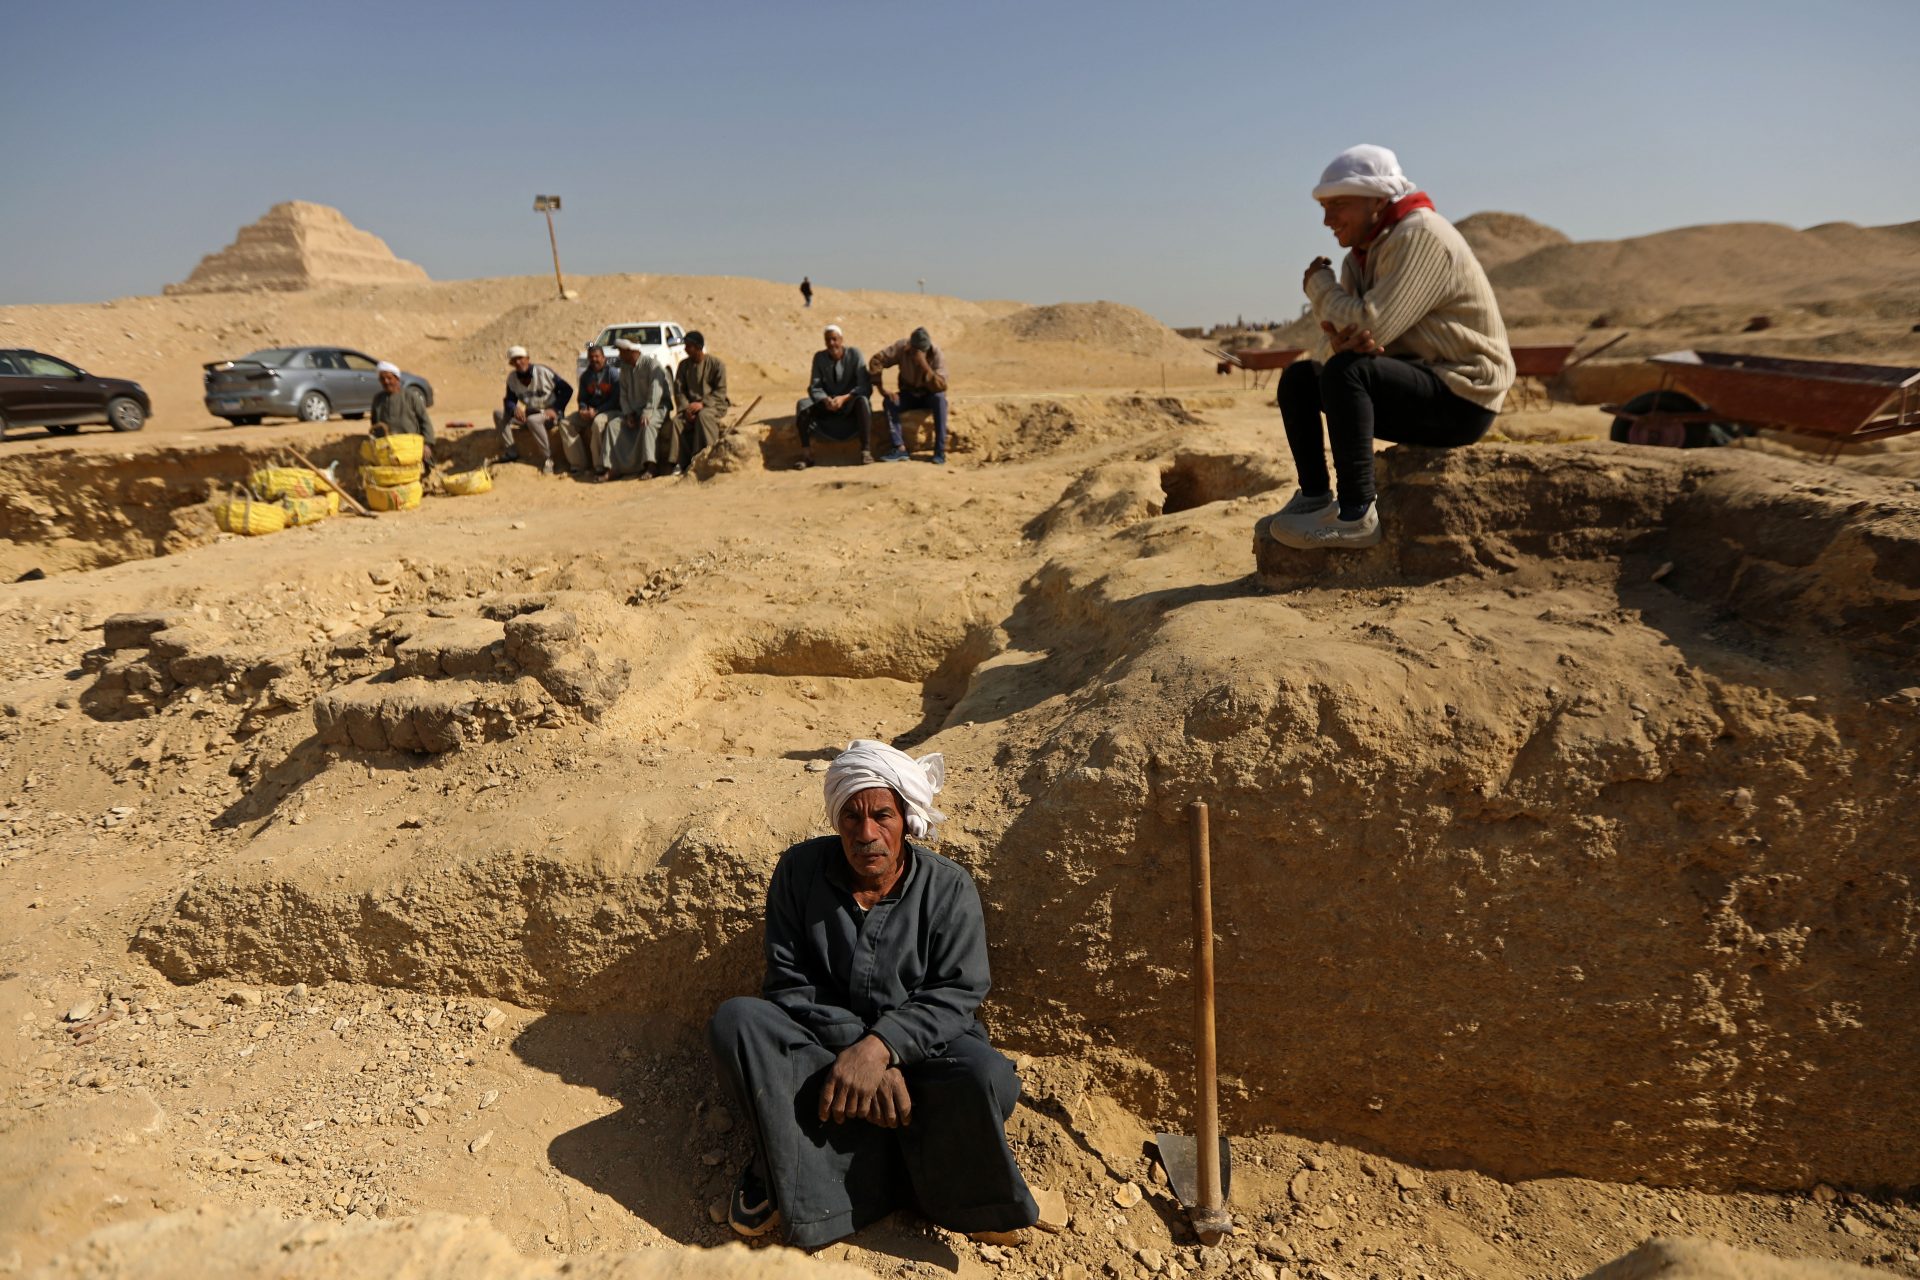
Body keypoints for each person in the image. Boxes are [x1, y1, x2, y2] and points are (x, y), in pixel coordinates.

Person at [707, 740, 1039, 1249]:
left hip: (922, 1053)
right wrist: (856, 1054)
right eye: (851, 817)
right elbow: (790, 983)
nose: (866, 834)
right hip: (825, 1050)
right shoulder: (799, 872)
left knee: (989, 1077)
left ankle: (939, 1191)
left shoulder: (949, 888)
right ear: (836, 821)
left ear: (906, 818)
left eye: (882, 815)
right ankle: (793, 1171)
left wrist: (882, 1049)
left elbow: (958, 992)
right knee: (739, 1023)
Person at [1268, 144, 1514, 550]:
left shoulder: (1421, 234)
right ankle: (1313, 497)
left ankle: (1356, 514)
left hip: (1464, 398)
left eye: (1339, 205)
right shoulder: (1359, 258)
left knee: (1349, 370)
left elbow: (1370, 324)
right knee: (1300, 377)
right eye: (1324, 208)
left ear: (1379, 201)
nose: (1328, 220)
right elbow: (1340, 339)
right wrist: (1346, 337)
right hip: (1419, 383)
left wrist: (1320, 287)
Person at [793, 325, 875, 468]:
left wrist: (844, 398)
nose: (831, 343)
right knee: (803, 405)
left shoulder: (855, 354)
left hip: (850, 403)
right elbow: (814, 387)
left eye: (834, 339)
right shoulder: (819, 358)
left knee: (862, 401)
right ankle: (807, 455)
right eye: (828, 340)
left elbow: (865, 385)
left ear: (841, 340)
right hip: (827, 405)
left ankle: (865, 451)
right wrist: (826, 400)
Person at [868, 328, 948, 465]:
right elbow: (877, 360)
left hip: (929, 395)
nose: (913, 354)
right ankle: (899, 448)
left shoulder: (936, 354)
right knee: (890, 402)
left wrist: (924, 365)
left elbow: (941, 386)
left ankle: (940, 451)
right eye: (913, 351)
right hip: (909, 394)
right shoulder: (901, 348)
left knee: (940, 399)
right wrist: (881, 389)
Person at [493, 346, 575, 475]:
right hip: (531, 414)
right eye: (515, 361)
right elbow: (509, 400)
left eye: (520, 359)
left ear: (527, 359)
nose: (518, 363)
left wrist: (556, 409)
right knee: (498, 414)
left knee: (533, 420)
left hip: (550, 415)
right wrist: (513, 408)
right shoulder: (513, 379)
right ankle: (511, 451)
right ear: (512, 364)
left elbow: (567, 389)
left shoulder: (543, 372)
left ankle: (548, 459)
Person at [609, 337, 672, 479]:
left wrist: (648, 412)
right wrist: (628, 413)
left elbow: (656, 392)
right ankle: (615, 467)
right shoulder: (624, 368)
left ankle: (651, 466)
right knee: (613, 426)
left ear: (631, 351)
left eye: (621, 352)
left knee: (647, 424)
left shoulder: (651, 364)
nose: (619, 355)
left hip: (658, 407)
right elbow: (623, 394)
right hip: (636, 410)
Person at [671, 331, 730, 477]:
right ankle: (681, 462)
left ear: (698, 347)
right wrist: (686, 409)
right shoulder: (683, 366)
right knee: (677, 422)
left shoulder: (717, 365)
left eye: (688, 346)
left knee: (703, 416)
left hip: (713, 405)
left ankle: (708, 456)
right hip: (691, 407)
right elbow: (679, 390)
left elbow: (720, 392)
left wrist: (702, 404)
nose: (685, 349)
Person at [564, 345, 620, 478]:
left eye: (597, 357)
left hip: (610, 410)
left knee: (598, 423)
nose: (594, 360)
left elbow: (615, 399)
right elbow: (582, 398)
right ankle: (579, 464)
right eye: (591, 357)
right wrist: (583, 409)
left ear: (604, 358)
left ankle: (599, 466)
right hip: (591, 411)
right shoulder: (585, 377)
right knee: (565, 423)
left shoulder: (612, 374)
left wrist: (598, 411)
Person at [369, 361, 434, 463]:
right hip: (388, 450)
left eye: (389, 378)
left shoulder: (411, 397)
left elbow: (425, 421)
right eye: (382, 379)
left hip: (410, 448)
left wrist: (427, 444)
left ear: (397, 378)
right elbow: (374, 424)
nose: (386, 381)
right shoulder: (378, 399)